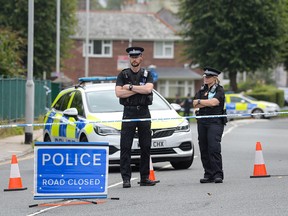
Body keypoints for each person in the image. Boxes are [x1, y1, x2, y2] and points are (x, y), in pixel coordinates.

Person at [115, 46, 156, 188]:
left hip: (144, 112)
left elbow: (148, 89)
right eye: (131, 57)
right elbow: (119, 94)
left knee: (146, 146)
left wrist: (130, 88)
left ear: (141, 58)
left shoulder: (147, 74)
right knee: (125, 147)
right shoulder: (123, 75)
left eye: (136, 57)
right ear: (129, 59)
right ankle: (126, 179)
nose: (134, 59)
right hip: (129, 112)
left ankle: (144, 178)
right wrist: (139, 90)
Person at [193, 67, 227, 184]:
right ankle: (208, 174)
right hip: (202, 121)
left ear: (214, 78)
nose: (205, 78)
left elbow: (215, 102)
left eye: (208, 77)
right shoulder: (202, 89)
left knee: (213, 148)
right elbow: (194, 104)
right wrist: (203, 103)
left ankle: (218, 174)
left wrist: (200, 102)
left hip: (215, 121)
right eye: (205, 76)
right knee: (204, 148)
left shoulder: (220, 90)